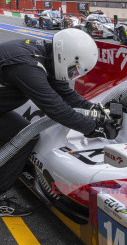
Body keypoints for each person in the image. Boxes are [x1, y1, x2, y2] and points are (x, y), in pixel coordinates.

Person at [0, 29, 113, 217]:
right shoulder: (27, 65)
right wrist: (92, 128)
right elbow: (56, 108)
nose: (72, 74)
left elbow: (67, 94)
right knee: (21, 136)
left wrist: (97, 112)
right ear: (66, 56)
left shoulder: (46, 57)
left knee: (23, 136)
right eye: (73, 69)